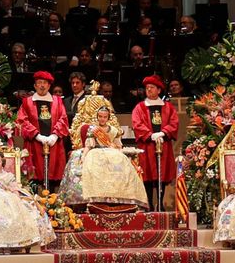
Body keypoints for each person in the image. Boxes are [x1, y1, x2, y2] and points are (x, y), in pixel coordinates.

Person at [60, 98, 147, 208]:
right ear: (97, 117)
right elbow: (88, 145)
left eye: (105, 117)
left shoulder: (114, 130)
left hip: (112, 152)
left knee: (121, 163)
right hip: (95, 151)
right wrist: (84, 155)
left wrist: (122, 155)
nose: (102, 119)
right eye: (100, 117)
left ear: (108, 117)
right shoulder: (93, 129)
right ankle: (93, 198)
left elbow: (118, 146)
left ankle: (120, 197)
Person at [131, 75, 178, 209]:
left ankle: (160, 202)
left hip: (163, 143)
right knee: (147, 174)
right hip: (147, 145)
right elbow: (137, 123)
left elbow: (174, 122)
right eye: (147, 88)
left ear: (159, 90)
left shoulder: (168, 107)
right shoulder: (140, 107)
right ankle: (149, 203)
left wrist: (163, 132)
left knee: (162, 174)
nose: (149, 90)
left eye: (152, 88)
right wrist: (150, 135)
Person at [18, 71, 69, 188]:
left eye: (44, 83)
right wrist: (37, 136)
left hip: (53, 144)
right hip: (34, 144)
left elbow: (63, 118)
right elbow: (22, 120)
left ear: (49, 86)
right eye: (39, 83)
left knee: (53, 178)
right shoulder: (27, 102)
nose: (42, 85)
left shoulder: (57, 101)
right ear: (35, 86)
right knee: (34, 178)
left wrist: (55, 135)